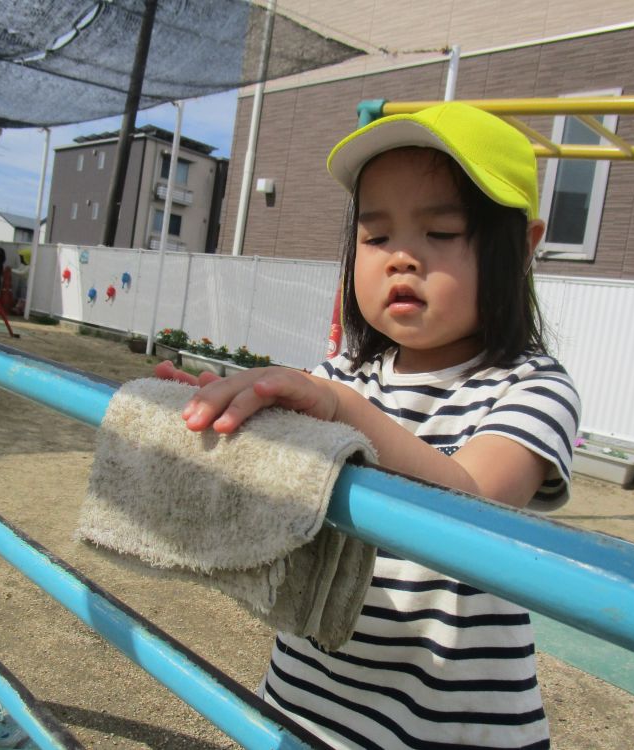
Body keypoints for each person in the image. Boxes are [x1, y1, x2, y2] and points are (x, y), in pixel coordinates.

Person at [162, 102, 581, 749]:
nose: (401, 259)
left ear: (522, 248)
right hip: (307, 702)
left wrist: (343, 410)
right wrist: (216, 412)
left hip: (447, 725)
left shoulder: (530, 387)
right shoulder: (347, 374)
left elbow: (477, 499)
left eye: (441, 233)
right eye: (376, 236)